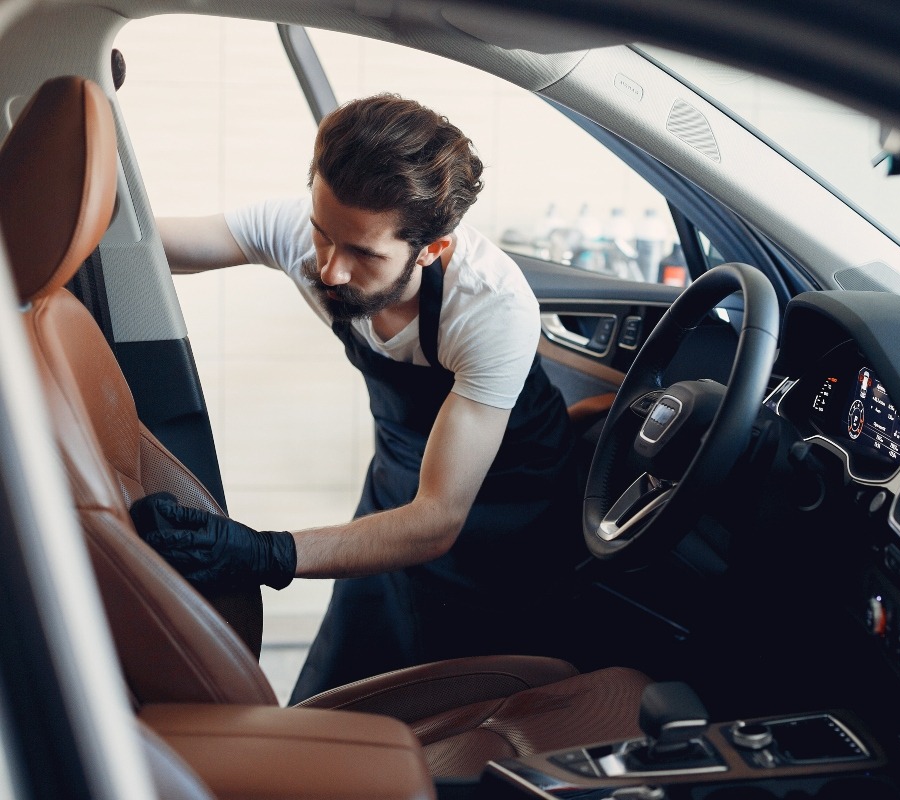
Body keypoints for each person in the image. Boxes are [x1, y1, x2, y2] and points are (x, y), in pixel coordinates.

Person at [147, 93, 579, 702]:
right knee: (348, 678)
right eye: (324, 235)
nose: (330, 270)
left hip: (509, 504)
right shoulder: (304, 233)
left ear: (432, 249)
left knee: (468, 696)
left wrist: (267, 553)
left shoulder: (490, 308)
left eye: (363, 254)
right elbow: (148, 245)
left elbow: (436, 520)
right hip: (401, 474)